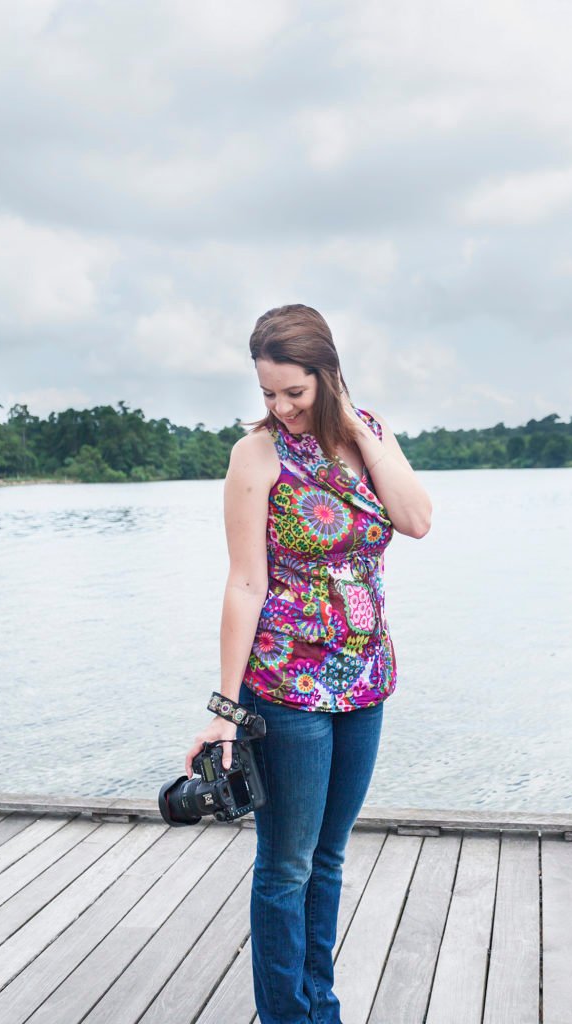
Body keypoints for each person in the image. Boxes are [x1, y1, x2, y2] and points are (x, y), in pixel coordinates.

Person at [185, 304, 432, 1024]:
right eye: (267, 393)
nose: (280, 408)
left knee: (328, 858)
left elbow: (415, 521)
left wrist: (355, 430)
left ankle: (317, 1007)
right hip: (286, 689)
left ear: (327, 377)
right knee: (286, 865)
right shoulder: (254, 456)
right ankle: (289, 1017)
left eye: (293, 392)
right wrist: (224, 713)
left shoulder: (371, 434)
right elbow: (244, 583)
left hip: (365, 681)